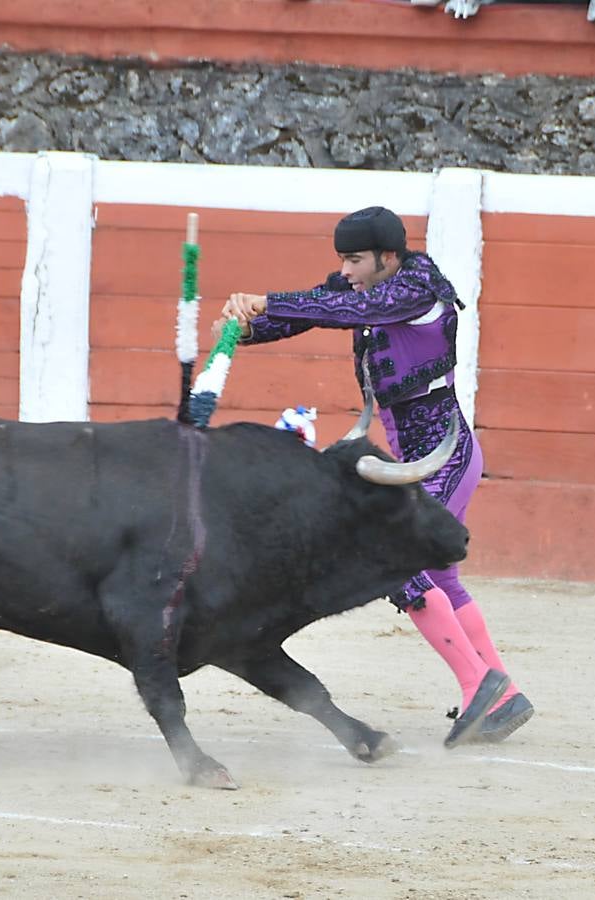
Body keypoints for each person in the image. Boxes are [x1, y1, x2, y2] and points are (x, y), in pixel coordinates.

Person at [214, 207, 533, 749]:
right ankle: (502, 695)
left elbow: (348, 307)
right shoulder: (366, 284)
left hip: (443, 452)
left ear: (388, 256)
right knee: (438, 577)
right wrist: (245, 326)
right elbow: (318, 308)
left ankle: (483, 685)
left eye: (356, 259)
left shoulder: (415, 285)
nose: (347, 270)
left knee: (399, 567)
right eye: (343, 259)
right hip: (411, 456)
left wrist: (267, 298)